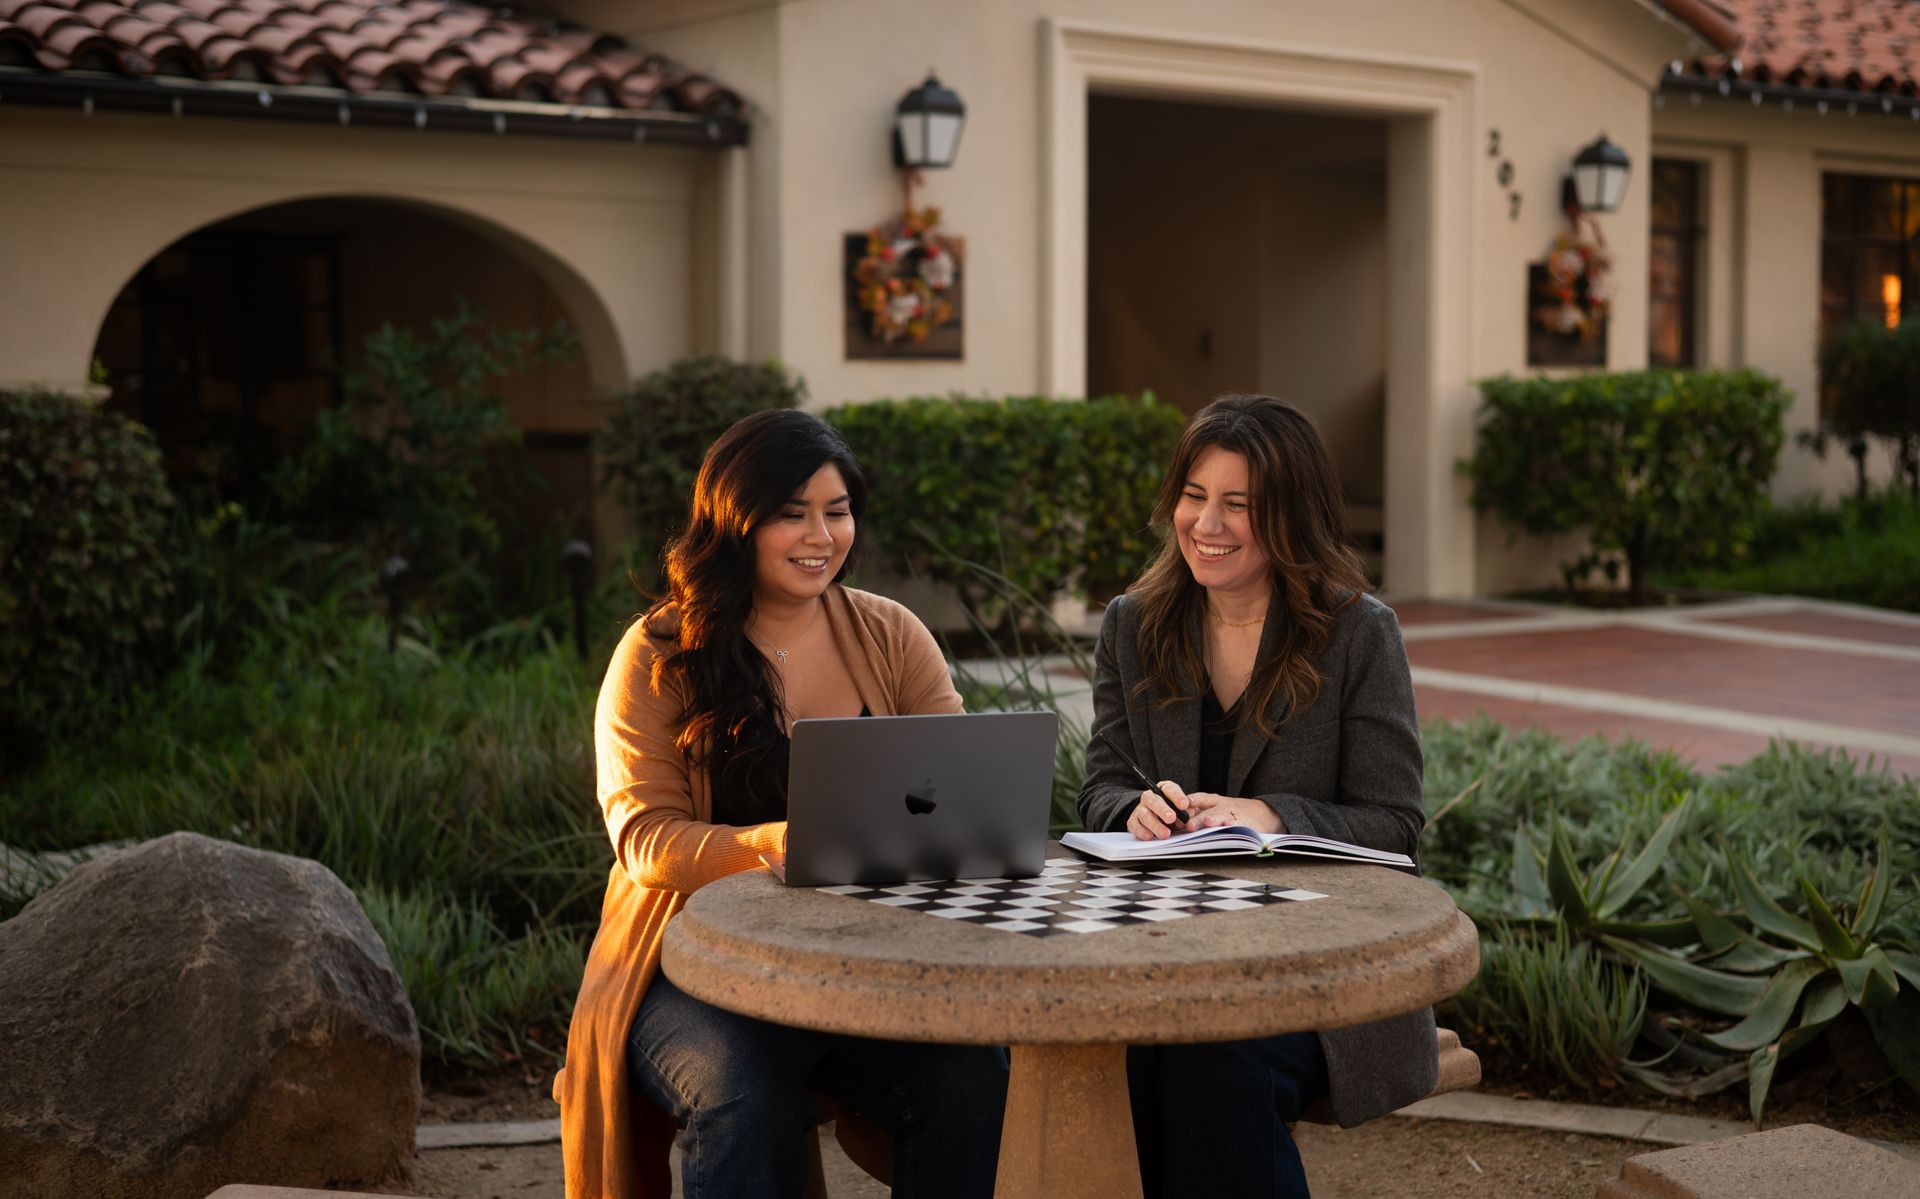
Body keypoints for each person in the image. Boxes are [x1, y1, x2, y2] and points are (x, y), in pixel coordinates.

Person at [558, 409, 1008, 1199]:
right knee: (744, 1092)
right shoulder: (658, 652)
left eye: (836, 512)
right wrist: (775, 842)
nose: (820, 535)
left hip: (864, 960)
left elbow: (958, 787)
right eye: (790, 513)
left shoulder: (891, 634)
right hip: (691, 967)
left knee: (974, 1075)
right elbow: (647, 839)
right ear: (734, 523)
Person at [1076, 394, 1437, 1199]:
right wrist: (1131, 809)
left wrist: (1270, 815)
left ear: (1291, 515)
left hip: (1319, 975)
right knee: (1113, 1055)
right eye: (1195, 496)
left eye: (1239, 504)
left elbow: (1398, 828)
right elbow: (1099, 787)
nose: (1208, 523)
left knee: (1213, 1057)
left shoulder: (1356, 632)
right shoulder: (1134, 625)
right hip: (1162, 960)